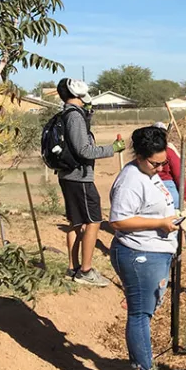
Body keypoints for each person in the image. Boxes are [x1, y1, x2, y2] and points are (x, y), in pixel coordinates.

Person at [108, 125, 180, 370]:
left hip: (156, 250)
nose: (161, 169)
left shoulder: (149, 173)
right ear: (139, 155)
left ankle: (144, 369)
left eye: (164, 163)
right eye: (156, 164)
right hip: (138, 253)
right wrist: (159, 223)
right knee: (139, 313)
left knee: (145, 311)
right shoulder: (130, 181)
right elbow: (117, 221)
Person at [56, 78, 124, 286]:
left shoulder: (69, 114)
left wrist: (88, 113)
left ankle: (72, 268)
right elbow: (84, 150)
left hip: (69, 176)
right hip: (80, 178)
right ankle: (85, 271)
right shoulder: (74, 117)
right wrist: (113, 148)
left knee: (75, 223)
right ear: (77, 93)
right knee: (93, 221)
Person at [152, 122, 183, 209]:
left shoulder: (144, 150)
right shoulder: (169, 150)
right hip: (167, 186)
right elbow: (178, 172)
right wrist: (183, 195)